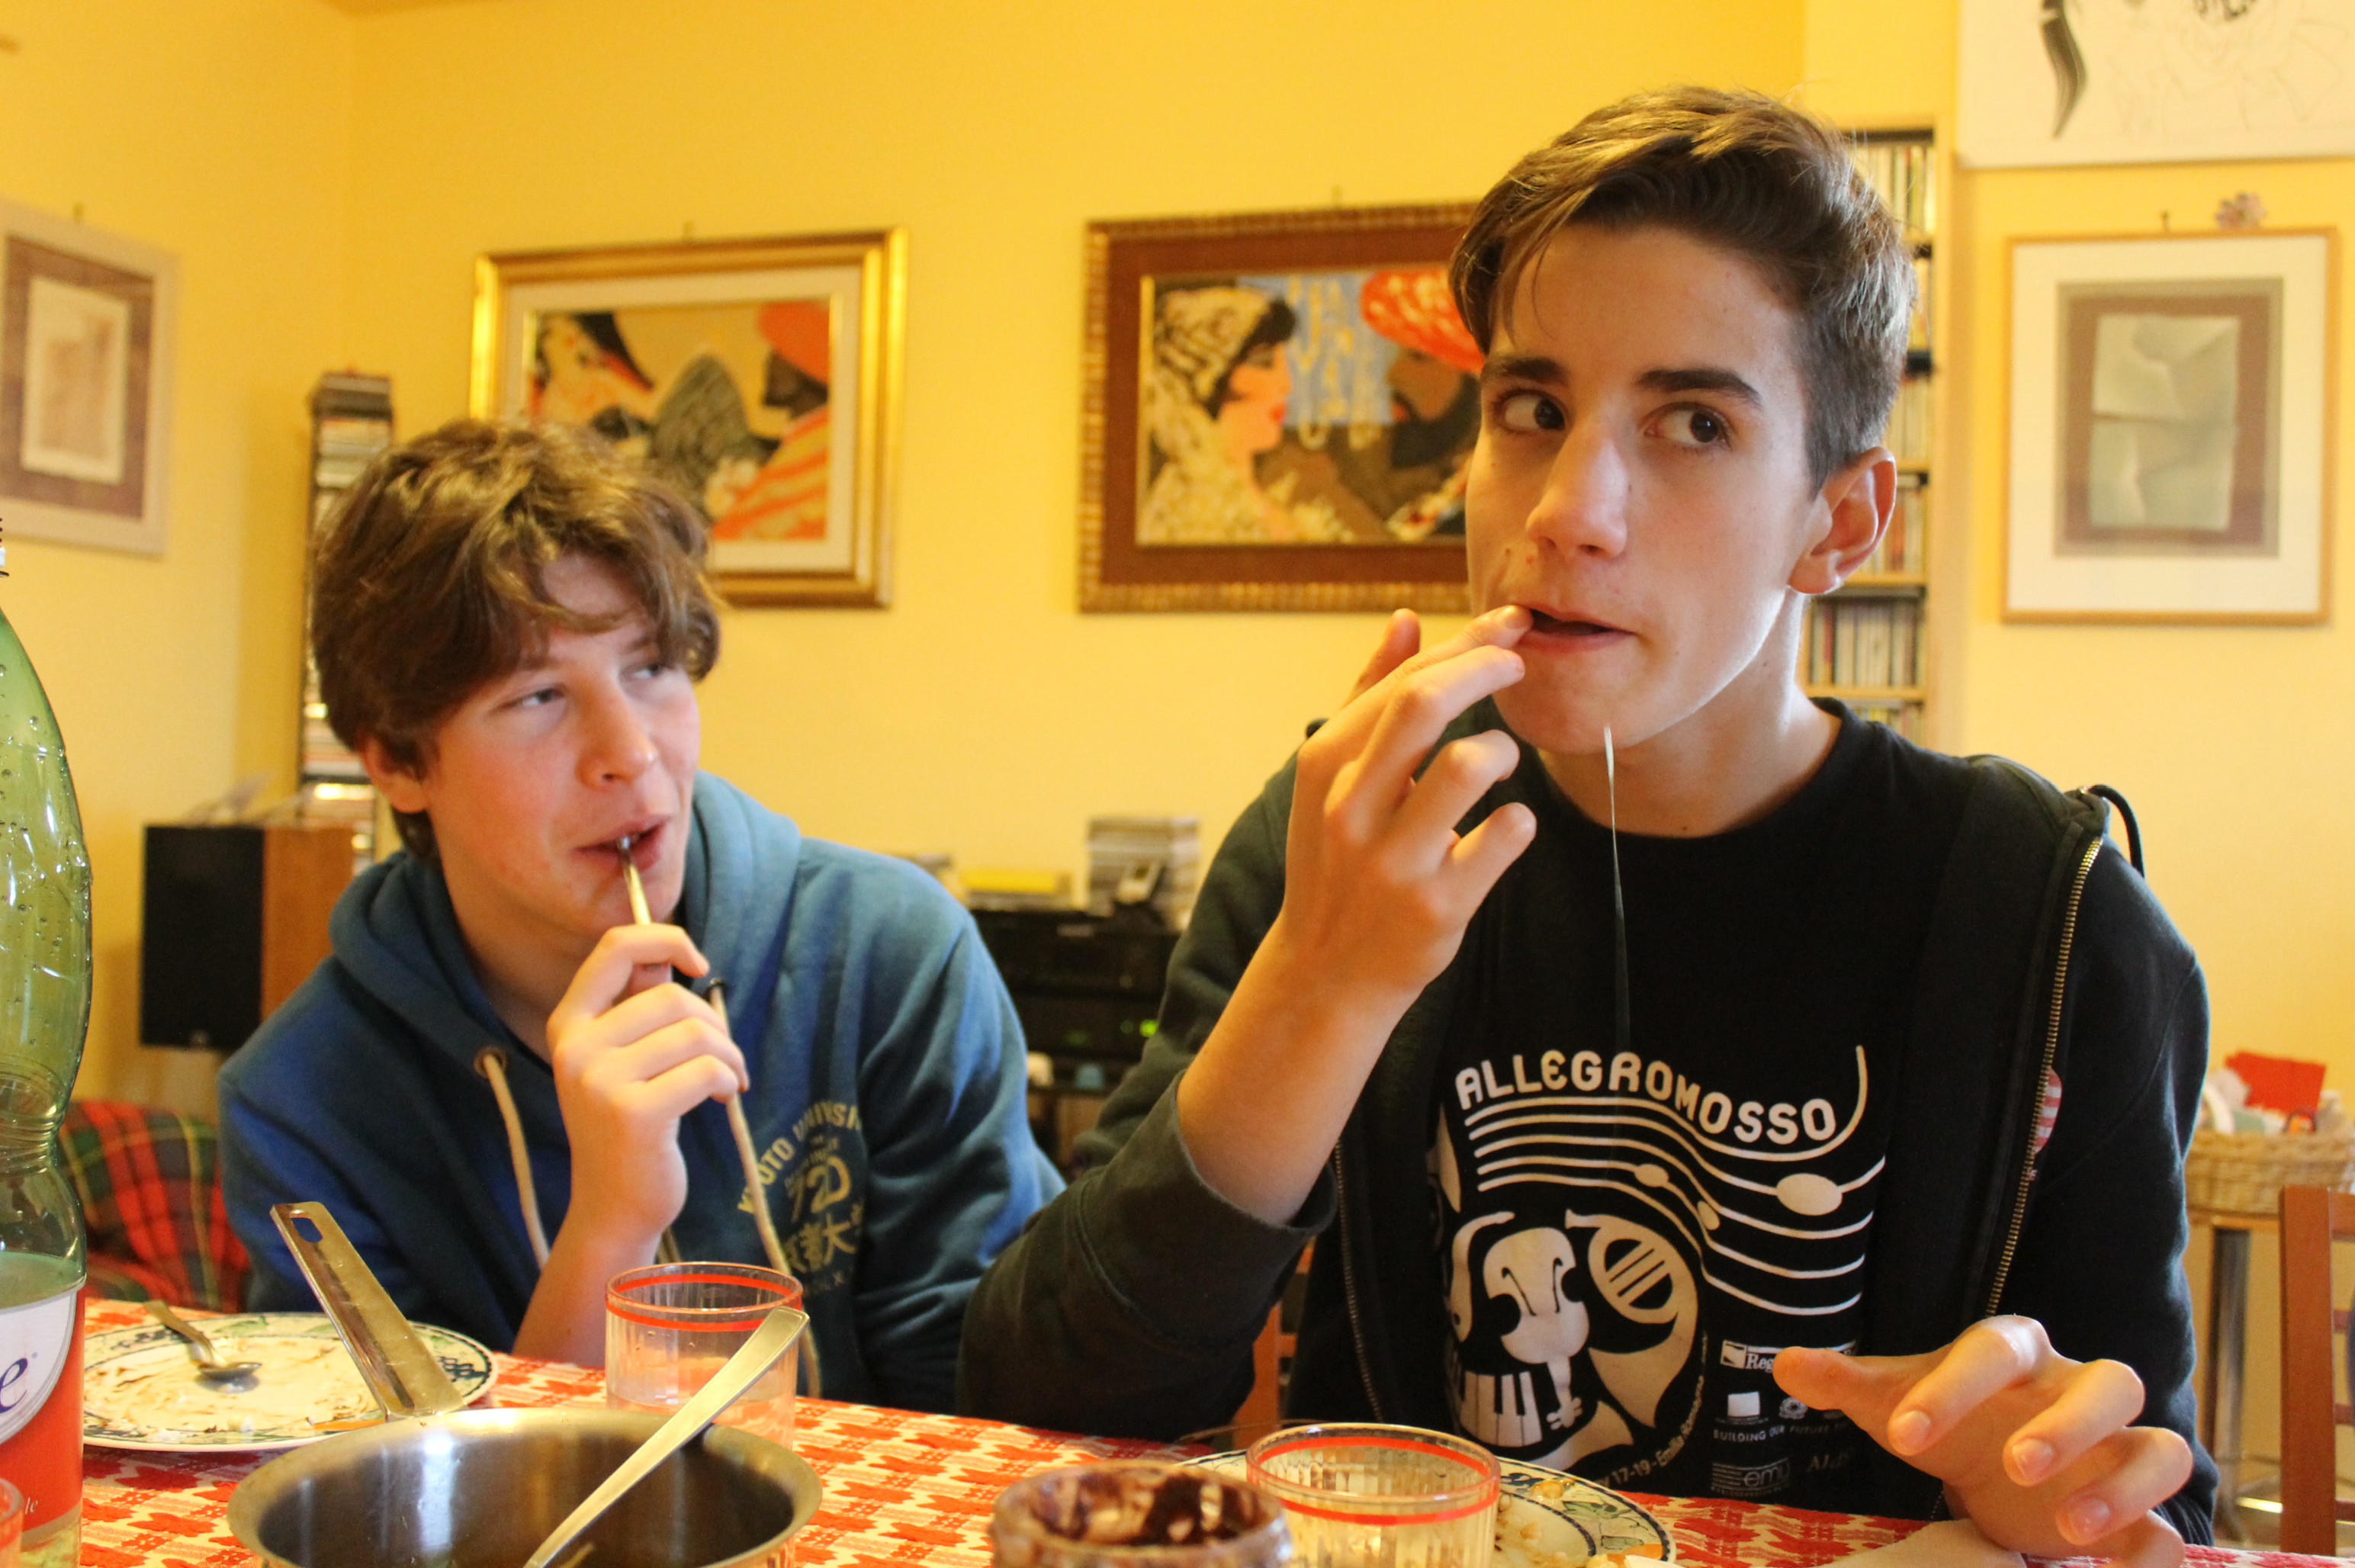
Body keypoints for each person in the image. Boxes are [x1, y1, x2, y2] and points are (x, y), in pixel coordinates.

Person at [959, 85, 2213, 1566]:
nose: (1568, 509)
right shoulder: (1362, 825)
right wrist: (1320, 985)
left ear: (1839, 522)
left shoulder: (2048, 918)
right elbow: (1046, 1402)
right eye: (1531, 411)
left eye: (1691, 424)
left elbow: (2154, 1500)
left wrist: (2052, 1490)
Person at [220, 419, 1057, 1412]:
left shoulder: (888, 956)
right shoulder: (300, 1102)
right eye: (539, 696)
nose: (630, 752)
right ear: (397, 761)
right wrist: (609, 1226)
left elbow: (986, 1411)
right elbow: (402, 1481)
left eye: (650, 666)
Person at [1137, 284, 1345, 545]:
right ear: (1210, 380)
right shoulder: (1191, 507)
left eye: (1285, 364)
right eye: (1265, 363)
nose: (1286, 383)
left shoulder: (1286, 493)